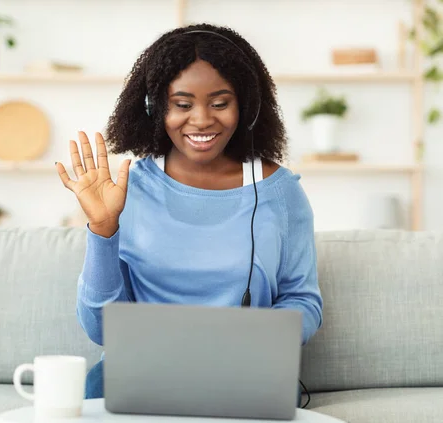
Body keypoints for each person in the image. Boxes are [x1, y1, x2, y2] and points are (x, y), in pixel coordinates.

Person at [55, 23, 323, 402]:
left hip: (246, 376)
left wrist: (259, 339)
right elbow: (100, 328)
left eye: (219, 103)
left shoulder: (280, 193)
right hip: (137, 374)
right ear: (155, 108)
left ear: (245, 106)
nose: (201, 120)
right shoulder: (129, 188)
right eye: (182, 105)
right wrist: (102, 228)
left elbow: (303, 298)